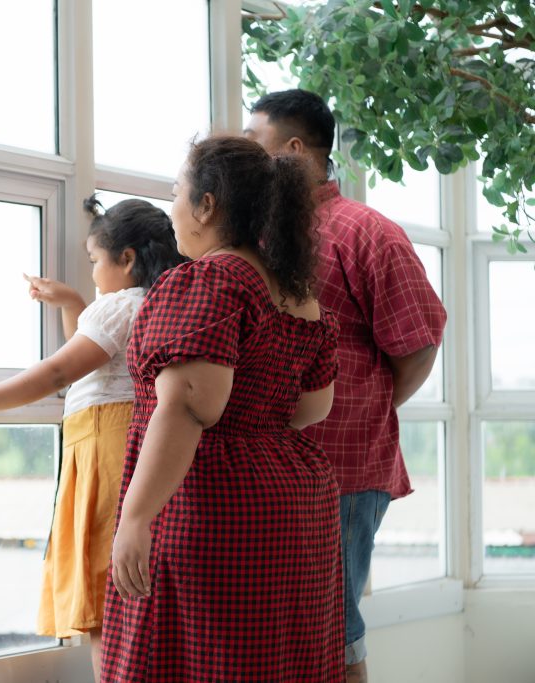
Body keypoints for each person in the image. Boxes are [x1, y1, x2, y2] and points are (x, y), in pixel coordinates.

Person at [100, 135, 344, 682]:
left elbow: (188, 406)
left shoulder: (211, 279)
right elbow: (311, 408)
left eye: (176, 192)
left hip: (214, 503)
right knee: (274, 661)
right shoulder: (298, 295)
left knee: (195, 660)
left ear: (207, 205)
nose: (172, 208)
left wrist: (136, 518)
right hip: (294, 506)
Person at [245, 88, 448, 683]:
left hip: (344, 468)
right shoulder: (257, 235)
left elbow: (418, 344)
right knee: (287, 632)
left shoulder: (367, 233)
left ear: (294, 149)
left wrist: (366, 407)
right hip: (271, 466)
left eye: (256, 143)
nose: (249, 157)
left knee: (335, 631)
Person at [0, 194, 186, 681]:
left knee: (104, 586)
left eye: (94, 262)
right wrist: (74, 304)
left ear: (126, 260)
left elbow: (60, 371)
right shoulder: (158, 301)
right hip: (130, 443)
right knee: (127, 584)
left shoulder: (118, 306)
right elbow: (97, 365)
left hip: (105, 445)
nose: (93, 272)